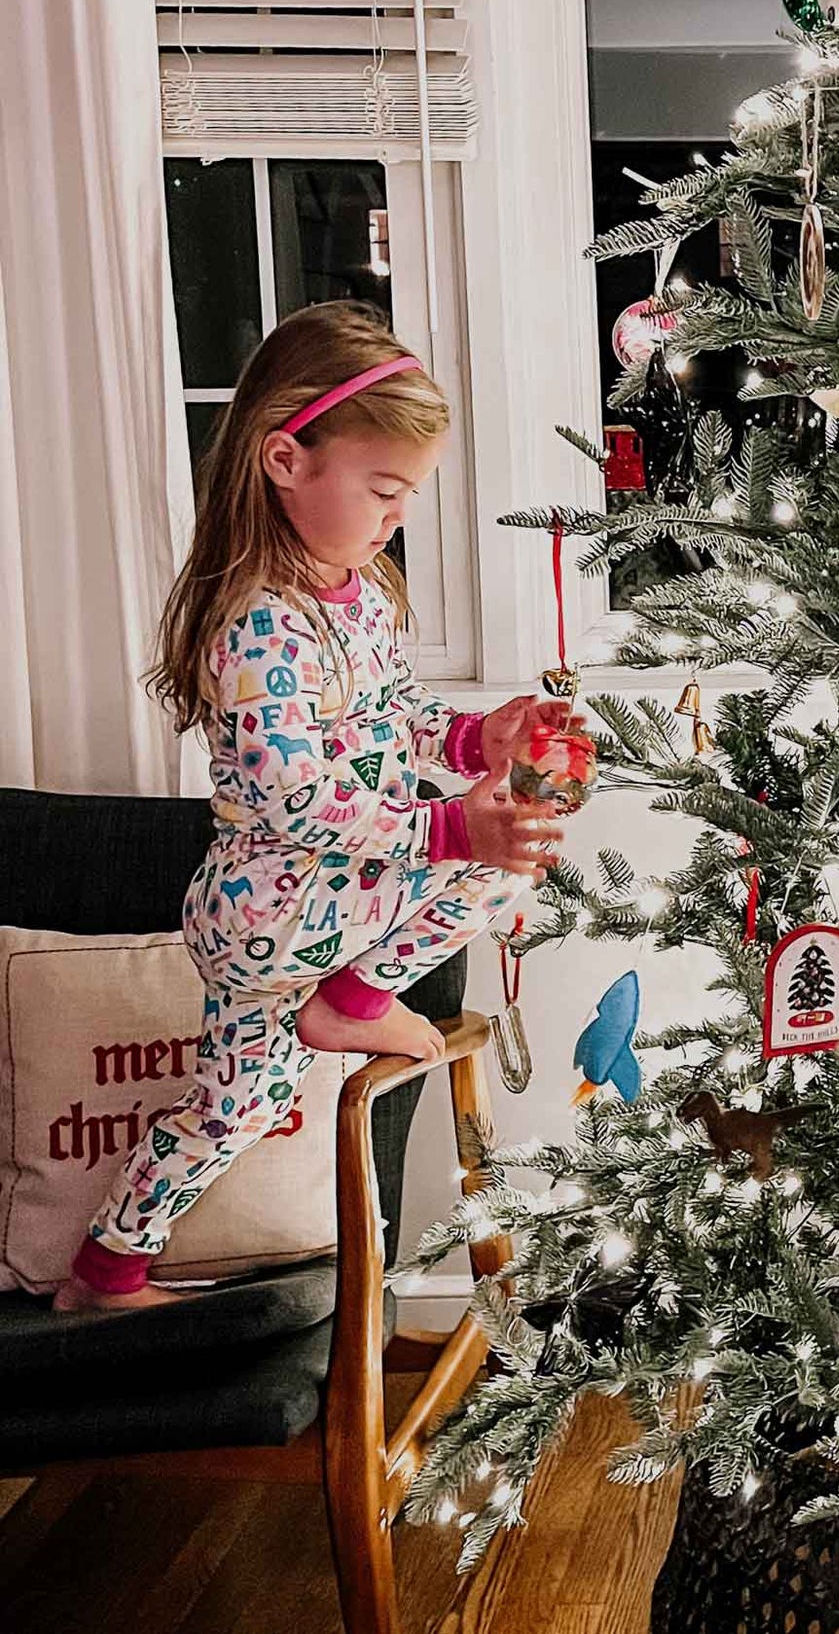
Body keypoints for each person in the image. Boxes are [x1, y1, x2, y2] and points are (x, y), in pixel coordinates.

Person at [55, 303, 578, 1311]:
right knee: (502, 854)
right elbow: (296, 796)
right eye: (382, 489)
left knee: (232, 1109)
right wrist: (450, 826)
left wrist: (480, 738)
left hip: (299, 912)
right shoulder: (260, 622)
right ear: (286, 460)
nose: (397, 516)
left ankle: (106, 1269)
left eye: (409, 493)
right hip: (279, 903)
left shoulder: (358, 594)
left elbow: (393, 719)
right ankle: (351, 1003)